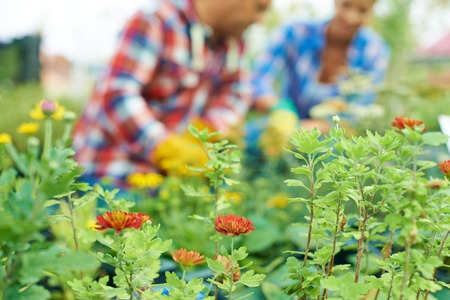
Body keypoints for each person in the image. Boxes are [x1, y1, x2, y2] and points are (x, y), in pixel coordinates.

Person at [73, 0, 271, 186]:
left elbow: (238, 94)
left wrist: (205, 130)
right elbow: (118, 94)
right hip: (111, 174)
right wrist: (163, 147)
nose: (259, 19)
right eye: (259, 7)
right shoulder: (156, 21)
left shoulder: (234, 43)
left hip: (169, 181)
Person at [251, 0, 390, 145]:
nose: (351, 18)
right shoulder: (297, 32)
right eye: (346, 5)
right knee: (254, 136)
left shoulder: (374, 51)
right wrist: (278, 107)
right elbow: (258, 78)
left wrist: (318, 127)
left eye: (362, 11)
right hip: (284, 128)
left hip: (331, 136)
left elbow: (359, 110)